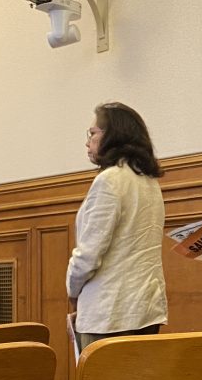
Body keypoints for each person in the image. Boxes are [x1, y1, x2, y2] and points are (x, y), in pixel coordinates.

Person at [67, 102, 167, 351]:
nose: (87, 142)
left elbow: (89, 254)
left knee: (100, 378)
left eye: (93, 133)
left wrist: (72, 289)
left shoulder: (109, 180)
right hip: (145, 308)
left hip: (109, 311)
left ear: (112, 135)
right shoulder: (149, 182)